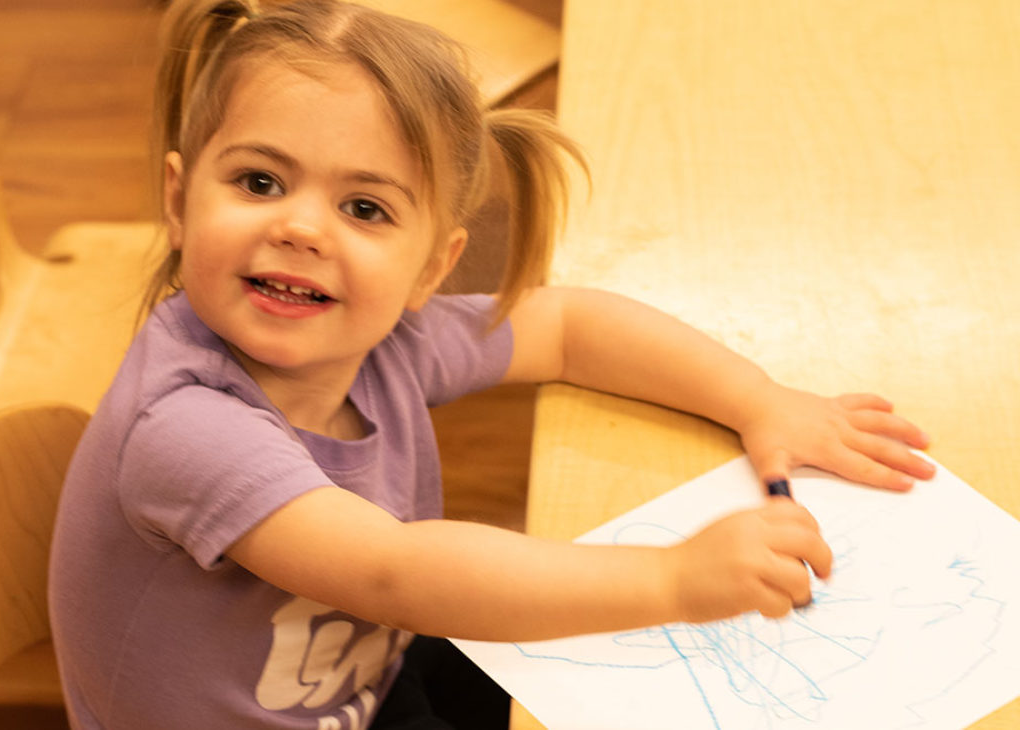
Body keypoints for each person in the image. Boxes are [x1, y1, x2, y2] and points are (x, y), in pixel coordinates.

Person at [48, 1, 936, 728]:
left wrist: (760, 400)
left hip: (368, 674)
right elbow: (392, 572)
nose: (302, 228)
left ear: (432, 267)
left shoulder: (378, 336)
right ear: (177, 198)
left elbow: (568, 325)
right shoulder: (184, 426)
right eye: (259, 183)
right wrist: (672, 579)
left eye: (364, 207)